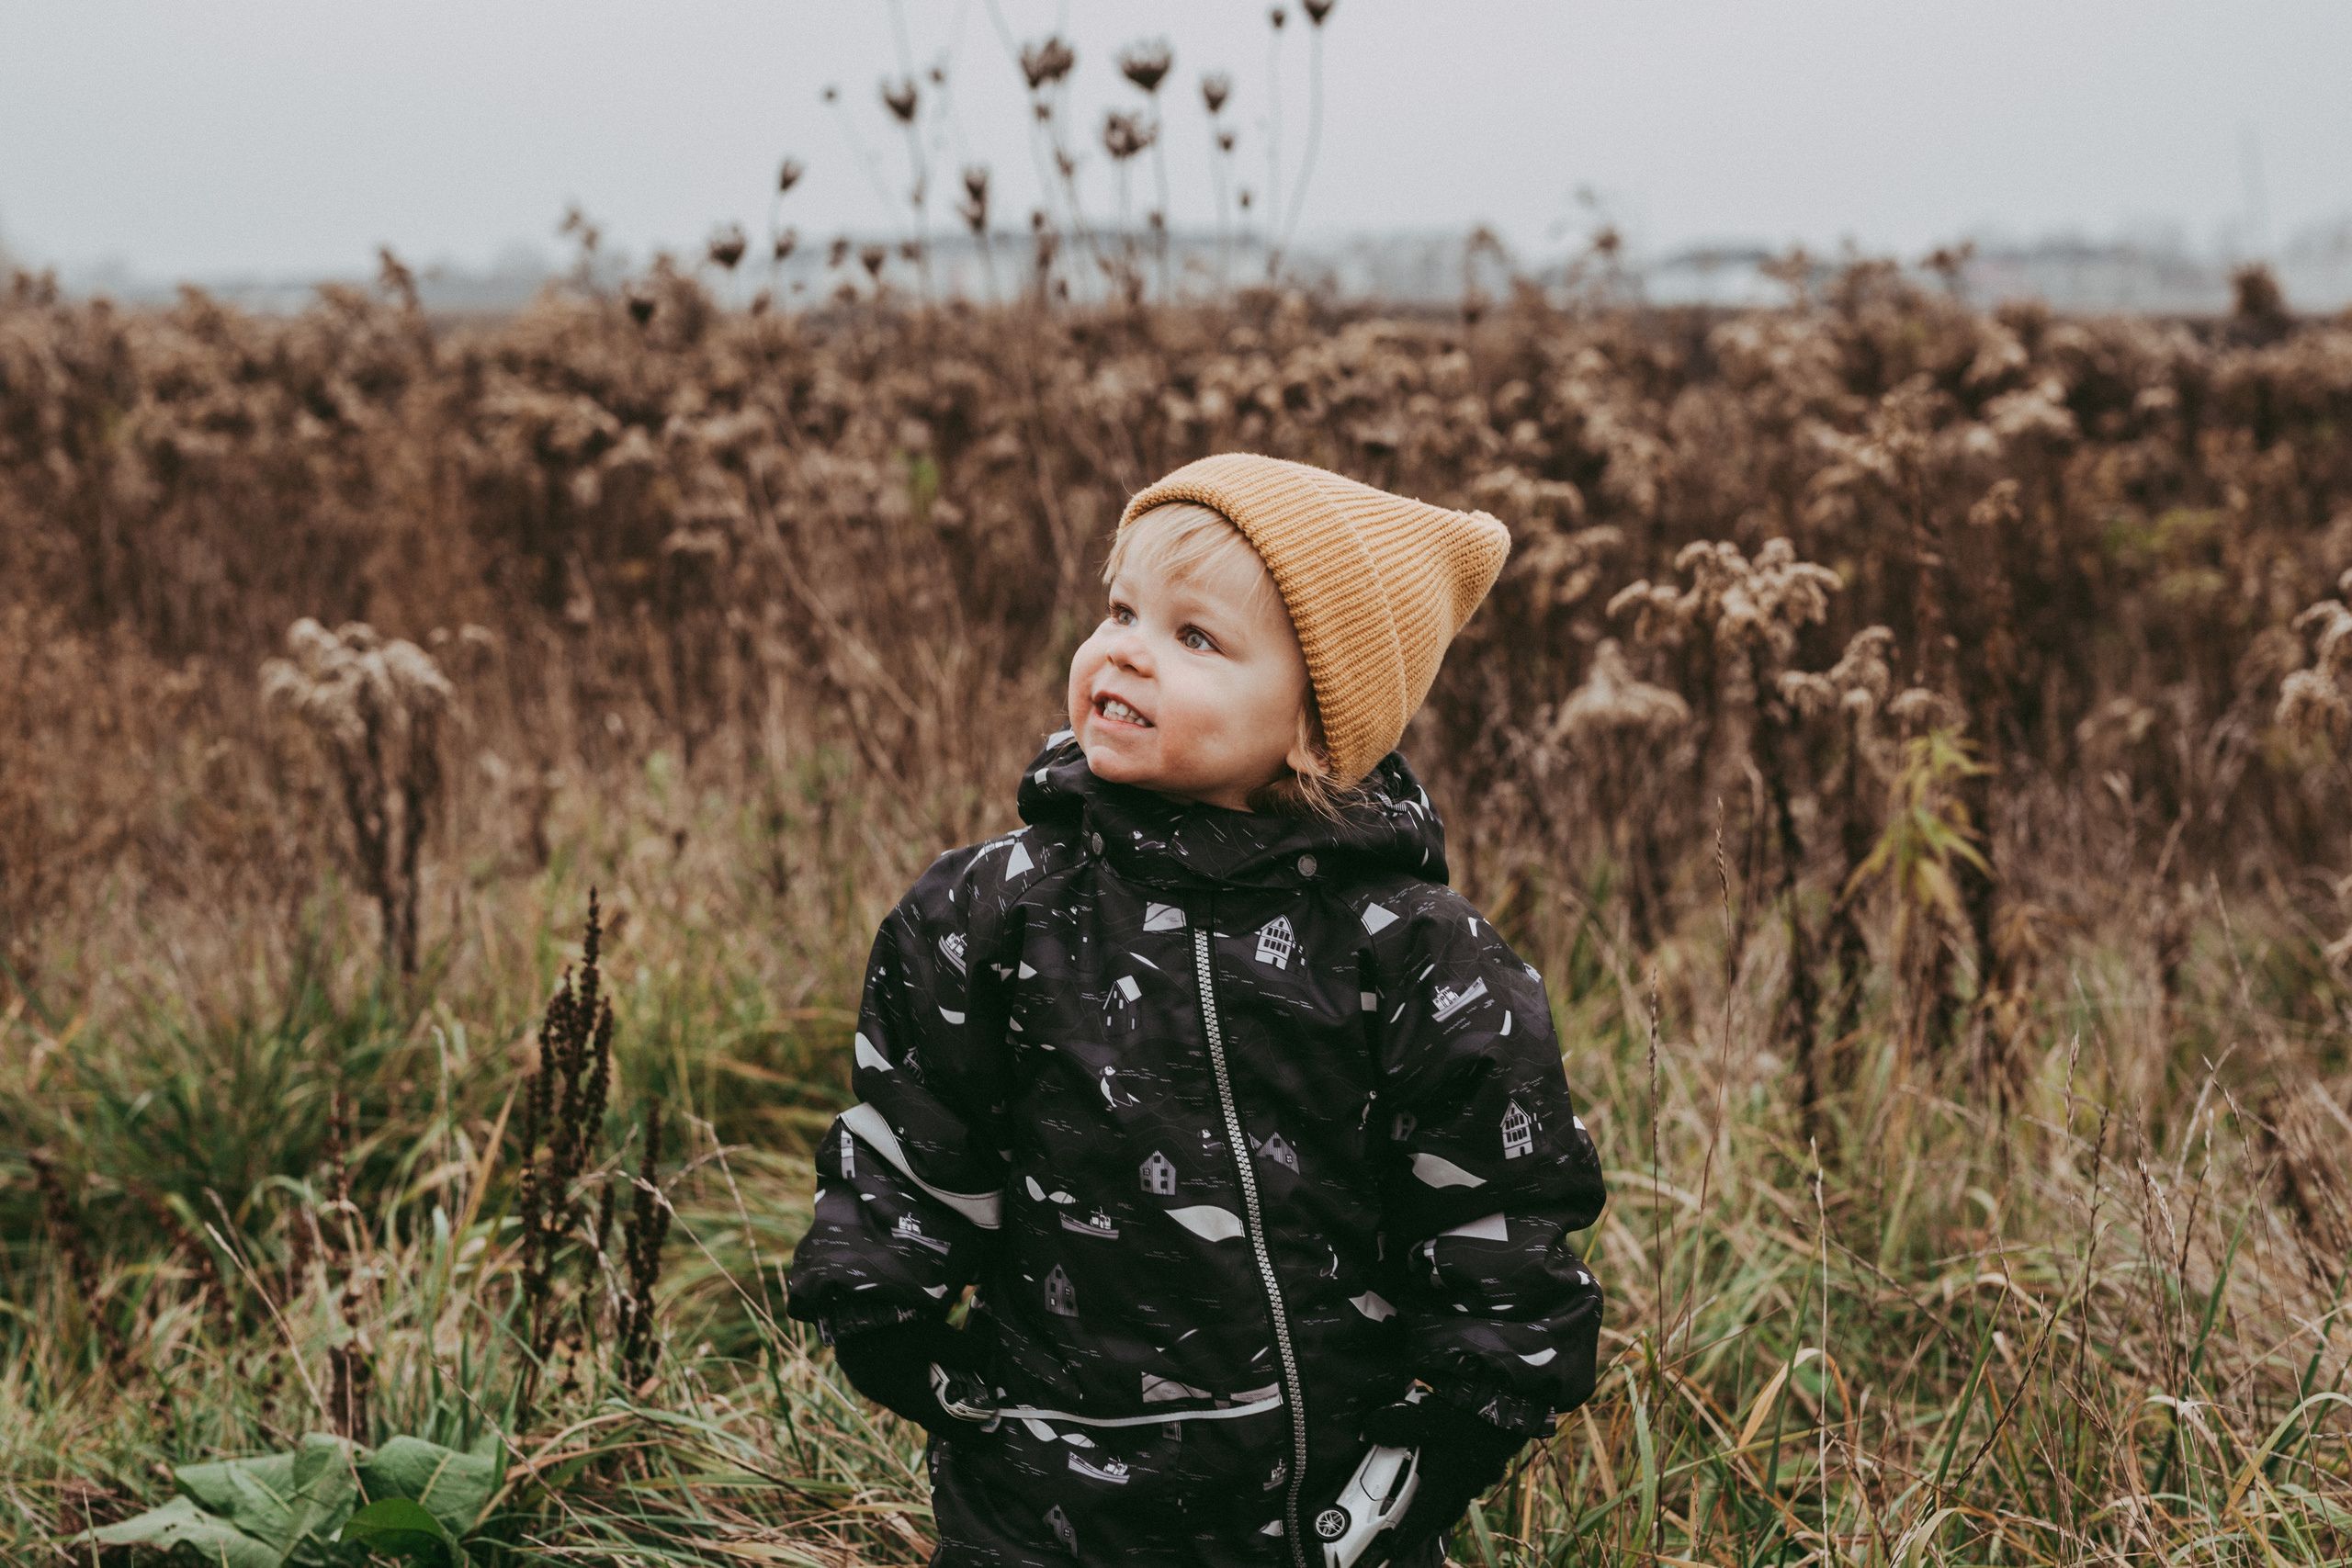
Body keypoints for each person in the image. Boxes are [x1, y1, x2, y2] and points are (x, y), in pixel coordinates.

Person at [786, 454, 1607, 1567]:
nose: (1123, 646)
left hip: (1322, 1501)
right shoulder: (992, 908)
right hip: (1036, 1490)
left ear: (1318, 725)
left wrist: (1465, 1419)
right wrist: (881, 1304)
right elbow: (916, 1128)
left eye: (1195, 637)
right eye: (1120, 608)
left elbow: (1495, 1203)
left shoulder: (1416, 951)